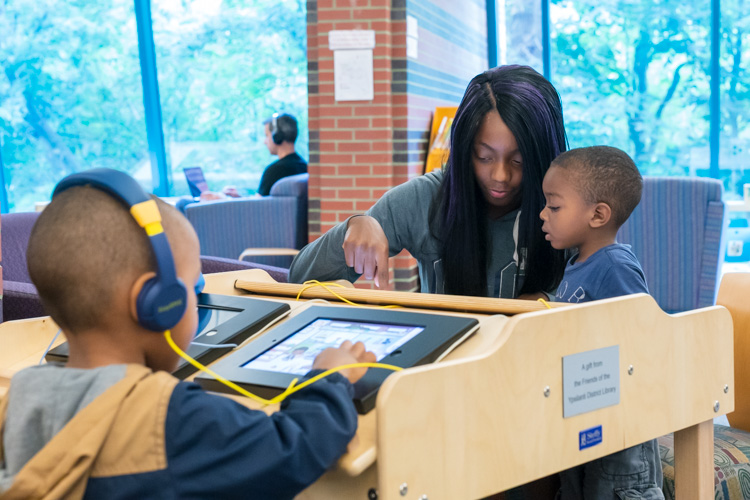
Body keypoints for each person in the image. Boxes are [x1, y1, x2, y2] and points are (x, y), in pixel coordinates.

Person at [0, 169, 375, 499]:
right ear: (155, 303)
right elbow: (296, 446)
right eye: (194, 291)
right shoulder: (169, 418)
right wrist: (330, 375)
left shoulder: (22, 395)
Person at [290, 65, 568, 299]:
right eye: (484, 157)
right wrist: (354, 227)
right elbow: (300, 277)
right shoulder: (426, 197)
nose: (500, 176)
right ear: (463, 150)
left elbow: (604, 302)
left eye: (518, 161)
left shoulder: (569, 206)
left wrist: (552, 304)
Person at [539, 146, 664, 499]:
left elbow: (642, 339)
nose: (543, 214)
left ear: (598, 215)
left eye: (555, 205)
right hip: (587, 417)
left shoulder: (614, 265)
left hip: (621, 441)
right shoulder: (577, 264)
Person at [223, 112, 307, 198]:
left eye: (267, 135)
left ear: (277, 136)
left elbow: (257, 208)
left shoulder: (274, 171)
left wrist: (223, 198)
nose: (265, 142)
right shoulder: (304, 166)